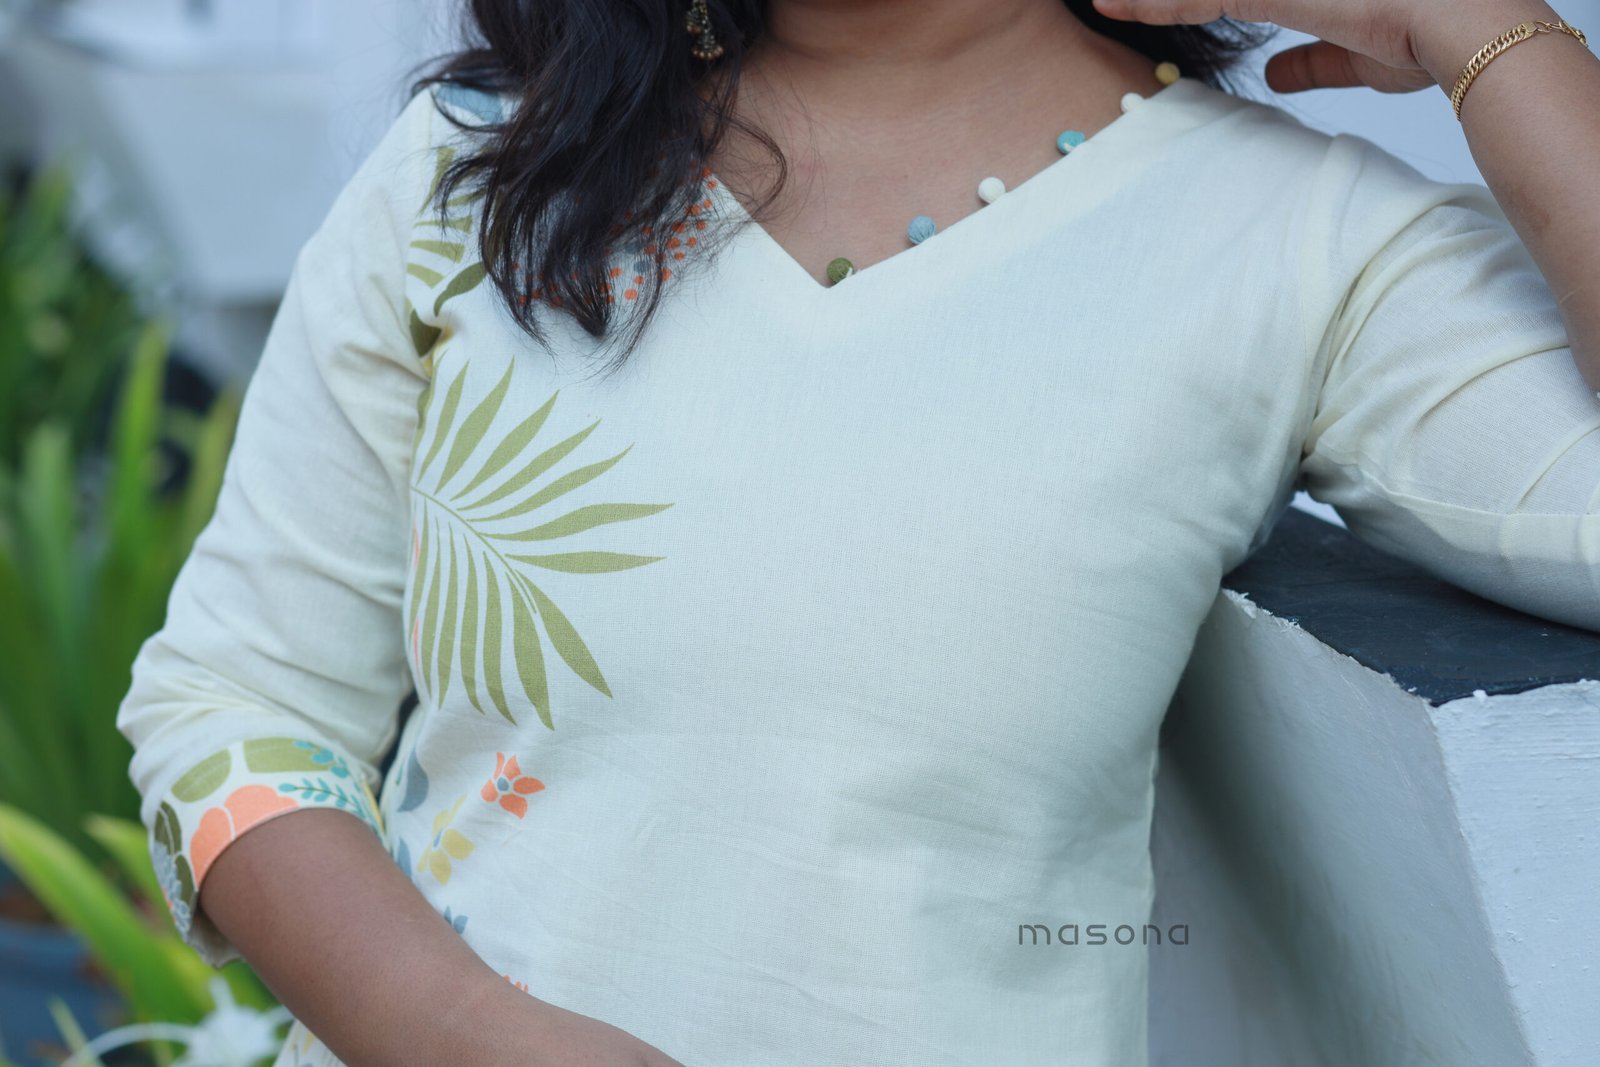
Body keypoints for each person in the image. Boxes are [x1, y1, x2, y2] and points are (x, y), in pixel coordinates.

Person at [115, 0, 1599, 1063]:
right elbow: (233, 702)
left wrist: (1491, 39)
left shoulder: (1299, 242)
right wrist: (459, 1033)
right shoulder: (481, 174)